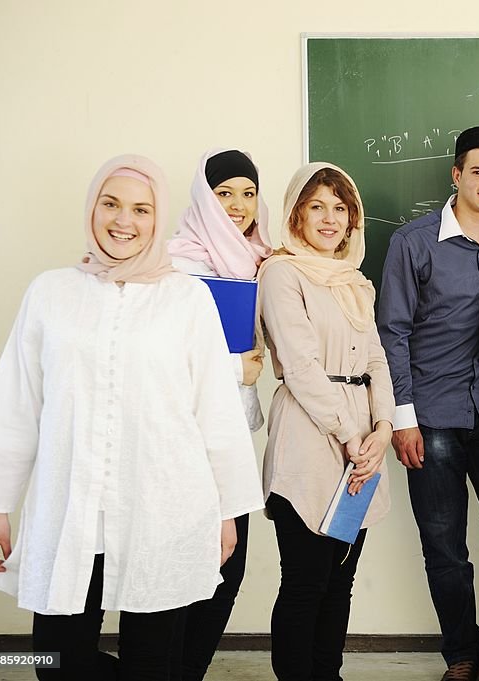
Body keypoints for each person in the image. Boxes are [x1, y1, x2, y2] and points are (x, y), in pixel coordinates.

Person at [0, 154, 263, 681]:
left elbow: (216, 413)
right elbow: (15, 403)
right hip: (71, 510)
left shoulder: (187, 299)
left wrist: (226, 513)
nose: (124, 221)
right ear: (92, 208)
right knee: (56, 661)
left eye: (141, 208)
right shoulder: (51, 293)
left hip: (163, 509)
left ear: (159, 219)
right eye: (111, 204)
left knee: (153, 663)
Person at [377, 126, 479, 681]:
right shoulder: (413, 242)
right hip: (432, 417)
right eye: (478, 171)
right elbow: (393, 332)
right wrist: (402, 419)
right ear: (456, 174)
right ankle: (460, 655)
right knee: (446, 549)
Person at [257, 161, 394, 681]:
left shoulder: (354, 281)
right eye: (317, 206)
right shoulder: (282, 273)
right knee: (305, 583)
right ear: (296, 213)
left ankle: (326, 673)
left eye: (341, 208)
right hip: (311, 438)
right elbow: (299, 366)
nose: (330, 218)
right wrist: (352, 435)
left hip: (362, 441)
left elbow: (376, 359)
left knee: (341, 580)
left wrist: (381, 430)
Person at [167, 148, 273, 681]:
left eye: (248, 193)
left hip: (231, 434)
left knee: (227, 565)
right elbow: (166, 356)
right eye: (224, 193)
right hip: (184, 436)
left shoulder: (260, 258)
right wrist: (239, 369)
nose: (237, 205)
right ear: (203, 198)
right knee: (194, 563)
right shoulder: (177, 263)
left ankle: (187, 670)